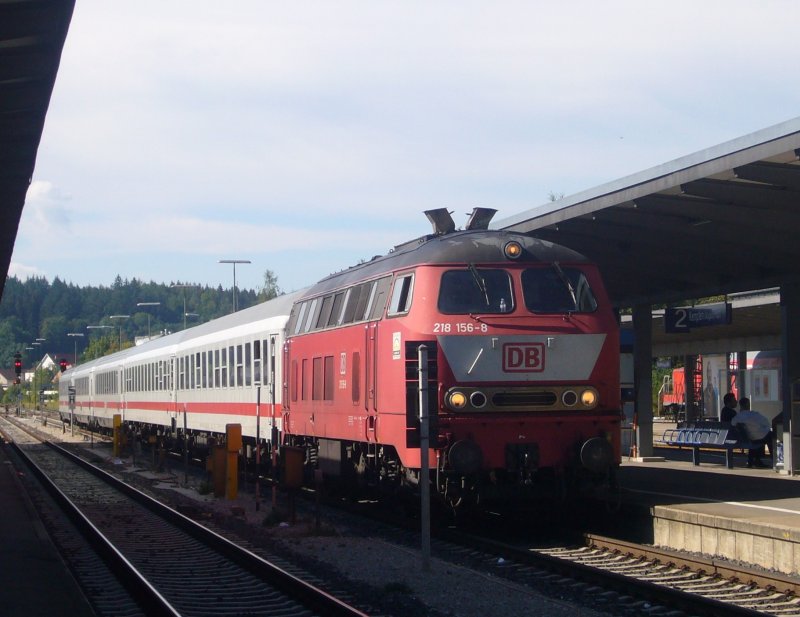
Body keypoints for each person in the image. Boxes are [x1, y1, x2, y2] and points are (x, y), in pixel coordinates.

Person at [732, 397, 773, 468]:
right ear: (748, 405)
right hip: (760, 437)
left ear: (740, 405)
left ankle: (752, 461)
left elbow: (733, 424)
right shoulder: (754, 415)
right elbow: (767, 423)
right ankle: (774, 459)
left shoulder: (737, 417)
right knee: (771, 436)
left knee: (754, 437)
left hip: (748, 438)